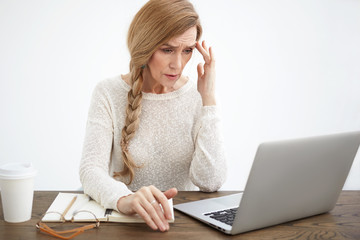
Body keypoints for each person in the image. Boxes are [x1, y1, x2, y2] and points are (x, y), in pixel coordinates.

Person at [79, 0, 226, 232]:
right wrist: (124, 199)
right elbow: (90, 171)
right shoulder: (107, 92)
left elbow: (210, 181)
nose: (178, 64)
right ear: (145, 47)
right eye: (167, 49)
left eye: (187, 50)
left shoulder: (196, 94)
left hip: (181, 228)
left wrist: (208, 100)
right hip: (125, 226)